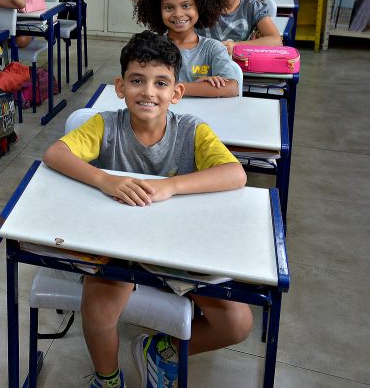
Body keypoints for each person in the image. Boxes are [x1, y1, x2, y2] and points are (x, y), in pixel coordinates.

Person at [42, 31, 251, 388]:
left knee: (237, 323)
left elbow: (236, 174)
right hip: (119, 244)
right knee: (98, 309)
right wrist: (105, 180)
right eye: (137, 81)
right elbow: (55, 153)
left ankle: (162, 351)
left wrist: (171, 186)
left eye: (161, 83)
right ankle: (108, 380)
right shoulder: (106, 124)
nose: (148, 92)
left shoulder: (192, 130)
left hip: (175, 244)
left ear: (177, 92)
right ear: (120, 87)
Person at [135, 0, 238, 97]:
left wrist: (171, 87)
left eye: (186, 6)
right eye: (169, 7)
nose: (178, 14)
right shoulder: (151, 48)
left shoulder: (213, 48)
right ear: (158, 10)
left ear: (200, 6)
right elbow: (143, 85)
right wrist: (200, 87)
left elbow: (231, 88)